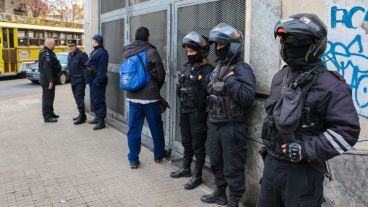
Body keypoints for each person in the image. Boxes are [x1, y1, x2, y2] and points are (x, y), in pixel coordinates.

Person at [257, 13, 361, 207]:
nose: (289, 45)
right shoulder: (281, 76)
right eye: (285, 40)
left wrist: (306, 149)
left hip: (303, 173)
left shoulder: (331, 85)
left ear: (315, 44)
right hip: (272, 165)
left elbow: (347, 131)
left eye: (298, 41)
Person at [201, 23, 256, 207]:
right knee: (216, 162)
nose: (217, 49)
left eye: (221, 45)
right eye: (216, 45)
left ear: (232, 46)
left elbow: (247, 97)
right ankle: (220, 193)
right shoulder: (218, 68)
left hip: (232, 126)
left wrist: (231, 80)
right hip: (216, 124)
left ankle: (234, 199)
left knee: (233, 166)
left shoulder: (242, 69)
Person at [169, 31, 213, 190]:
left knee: (198, 144)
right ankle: (186, 168)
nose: (188, 54)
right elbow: (180, 88)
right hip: (185, 110)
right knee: (186, 141)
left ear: (200, 51)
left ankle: (197, 175)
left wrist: (200, 80)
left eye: (191, 51)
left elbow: (209, 90)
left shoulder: (208, 70)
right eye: (187, 51)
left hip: (198, 112)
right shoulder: (187, 67)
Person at [123, 27, 170, 169]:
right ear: (147, 38)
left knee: (133, 129)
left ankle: (133, 159)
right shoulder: (152, 51)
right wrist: (155, 88)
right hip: (150, 99)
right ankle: (158, 155)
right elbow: (161, 75)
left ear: (135, 38)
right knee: (156, 128)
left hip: (133, 97)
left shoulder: (127, 51)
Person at [85, 34, 109, 130]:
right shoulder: (95, 51)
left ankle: (101, 121)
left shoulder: (103, 53)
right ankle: (97, 117)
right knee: (94, 100)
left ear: (96, 41)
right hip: (93, 80)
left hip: (97, 81)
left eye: (92, 40)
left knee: (99, 100)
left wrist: (98, 81)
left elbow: (102, 69)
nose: (91, 41)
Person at [39, 38, 62, 123]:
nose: (55, 45)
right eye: (54, 44)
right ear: (49, 44)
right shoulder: (46, 54)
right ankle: (47, 117)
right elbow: (47, 69)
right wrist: (51, 81)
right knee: (47, 98)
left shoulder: (48, 52)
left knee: (51, 97)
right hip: (48, 81)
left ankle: (51, 113)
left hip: (49, 80)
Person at [67, 39, 88, 125]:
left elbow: (87, 68)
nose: (71, 48)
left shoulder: (82, 55)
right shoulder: (69, 55)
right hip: (73, 80)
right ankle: (81, 114)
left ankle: (82, 117)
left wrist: (84, 79)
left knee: (79, 98)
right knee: (76, 98)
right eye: (69, 46)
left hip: (80, 81)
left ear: (76, 46)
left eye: (72, 46)